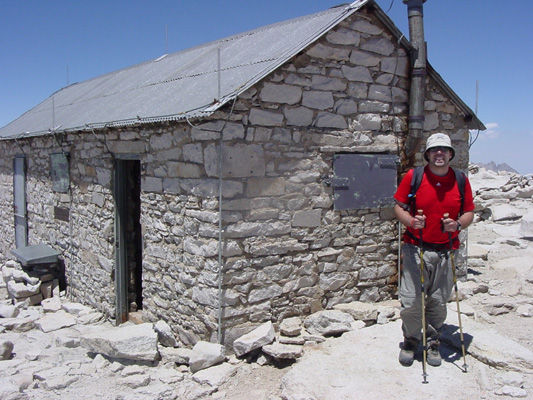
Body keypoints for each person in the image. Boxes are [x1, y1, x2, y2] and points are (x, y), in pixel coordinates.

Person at [393, 133, 475, 367]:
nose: (439, 154)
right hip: (415, 248)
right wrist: (410, 222)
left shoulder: (460, 179)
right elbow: (399, 207)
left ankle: (433, 341)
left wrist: (457, 224)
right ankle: (410, 340)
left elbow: (468, 212)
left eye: (444, 150)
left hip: (447, 250)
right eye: (434, 150)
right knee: (411, 301)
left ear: (450, 154)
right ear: (428, 154)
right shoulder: (415, 176)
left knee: (438, 301)